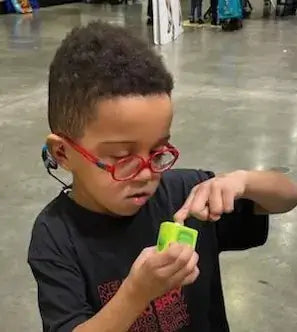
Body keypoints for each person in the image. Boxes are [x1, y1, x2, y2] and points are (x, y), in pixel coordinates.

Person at [28, 21, 297, 332]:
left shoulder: (185, 194)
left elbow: (287, 196)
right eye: (122, 158)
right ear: (63, 154)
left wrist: (243, 181)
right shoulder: (56, 236)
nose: (145, 174)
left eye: (158, 151)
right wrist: (135, 294)